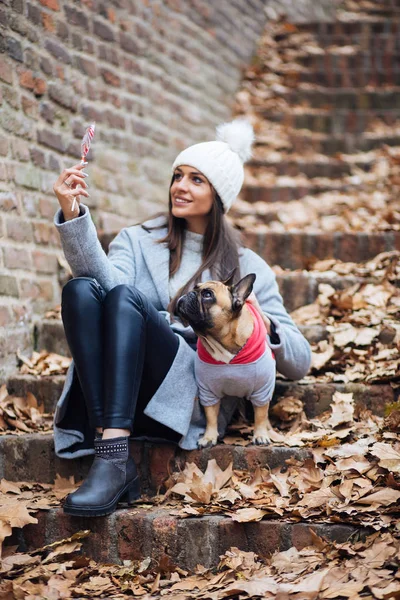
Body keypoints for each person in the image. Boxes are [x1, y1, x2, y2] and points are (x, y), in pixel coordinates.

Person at [52, 118, 312, 517]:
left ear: (218, 195)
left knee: (125, 298)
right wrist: (74, 217)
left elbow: (299, 360)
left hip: (184, 396)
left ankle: (111, 458)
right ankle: (112, 455)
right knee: (80, 289)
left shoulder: (244, 266)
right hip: (116, 391)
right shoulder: (138, 239)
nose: (180, 186)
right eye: (177, 175)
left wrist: (255, 322)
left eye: (196, 180)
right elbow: (104, 291)